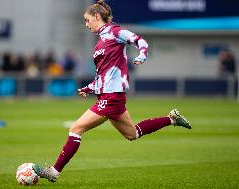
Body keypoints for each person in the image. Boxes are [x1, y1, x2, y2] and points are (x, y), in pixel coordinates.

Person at [33, 0, 191, 182]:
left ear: (96, 16)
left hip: (112, 97)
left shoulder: (115, 32)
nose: (86, 24)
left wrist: (142, 55)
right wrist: (89, 88)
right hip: (109, 95)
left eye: (87, 20)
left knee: (76, 128)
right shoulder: (100, 42)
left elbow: (140, 41)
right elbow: (104, 75)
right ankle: (172, 119)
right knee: (133, 134)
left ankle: (54, 172)